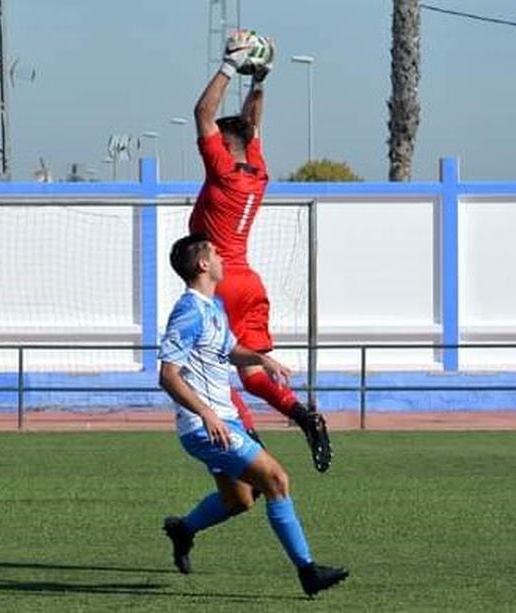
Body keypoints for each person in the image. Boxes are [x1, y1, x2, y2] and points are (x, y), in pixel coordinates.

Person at [159, 233, 348, 597]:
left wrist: (260, 358)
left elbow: (229, 349)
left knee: (239, 500)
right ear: (202, 265)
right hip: (206, 426)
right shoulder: (188, 311)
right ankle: (308, 572)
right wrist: (207, 415)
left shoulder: (213, 308)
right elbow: (167, 374)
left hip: (221, 420)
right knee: (276, 479)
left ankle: (183, 529)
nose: (221, 257)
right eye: (215, 253)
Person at [189, 30, 332, 472]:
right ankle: (304, 415)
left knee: (206, 368)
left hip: (221, 282)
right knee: (252, 373)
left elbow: (202, 112)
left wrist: (231, 65)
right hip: (251, 282)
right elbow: (252, 127)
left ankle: (247, 438)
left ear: (224, 146)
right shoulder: (258, 172)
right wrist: (261, 78)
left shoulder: (224, 172)